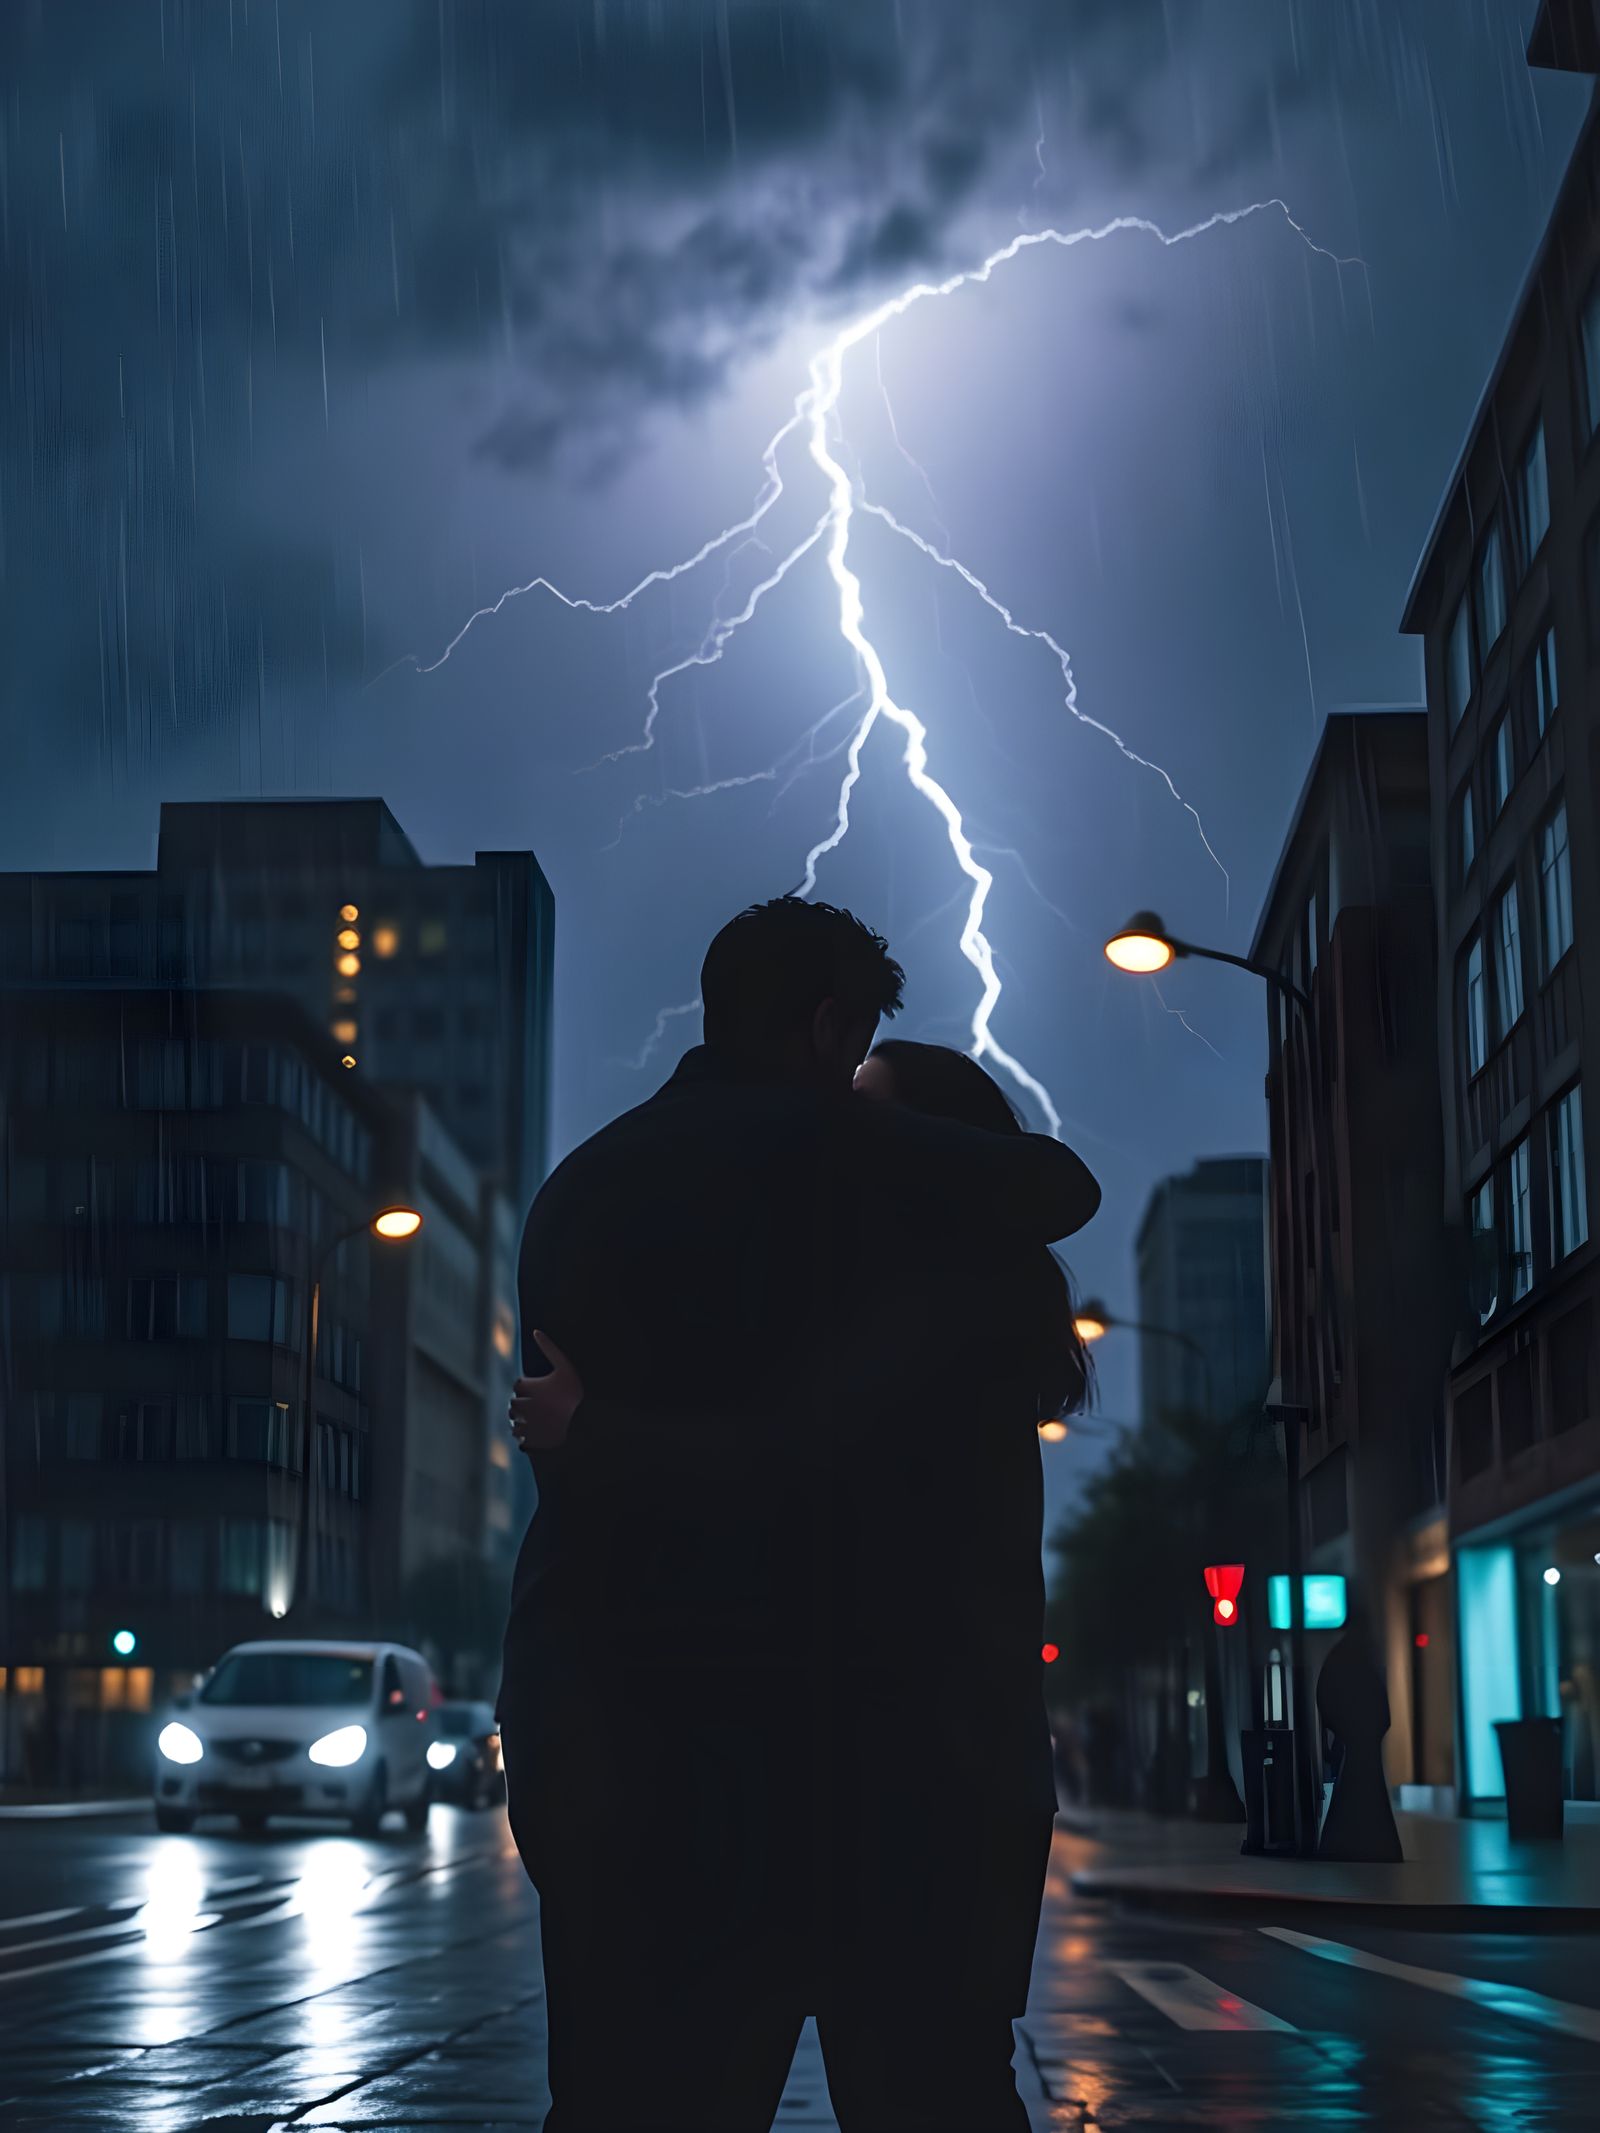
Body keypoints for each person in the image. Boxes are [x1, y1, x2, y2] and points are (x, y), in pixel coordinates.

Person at [499, 896, 1099, 2133]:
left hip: (632, 1750)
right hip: (884, 1777)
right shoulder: (866, 1187)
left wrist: (601, 1438)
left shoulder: (581, 1189)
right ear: (828, 1027)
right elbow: (1054, 1186)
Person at [1315, 1600, 1403, 1863]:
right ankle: (1374, 1843)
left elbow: (1325, 1697)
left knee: (1350, 1791)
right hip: (1364, 1739)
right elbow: (1378, 1702)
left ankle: (1345, 1842)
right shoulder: (1363, 1657)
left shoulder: (1340, 1656)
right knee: (1370, 1792)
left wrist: (1340, 1730)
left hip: (1354, 1738)